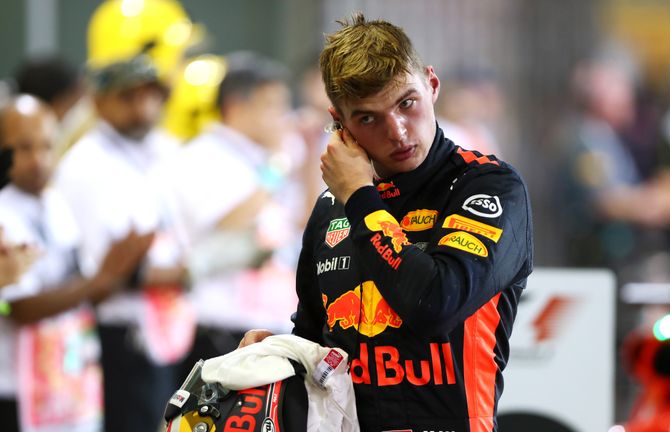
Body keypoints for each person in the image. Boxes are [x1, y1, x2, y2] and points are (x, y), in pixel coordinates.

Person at [241, 13, 533, 432]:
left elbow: (435, 306)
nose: (396, 131)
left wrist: (360, 198)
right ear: (340, 123)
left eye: (406, 103)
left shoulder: (488, 186)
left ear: (432, 86)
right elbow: (316, 339)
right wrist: (279, 353)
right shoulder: (331, 207)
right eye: (368, 118)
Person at [54, 55, 192, 432]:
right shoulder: (85, 165)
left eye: (151, 97)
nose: (142, 108)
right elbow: (109, 273)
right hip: (119, 331)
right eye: (128, 97)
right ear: (99, 102)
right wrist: (194, 272)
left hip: (166, 324)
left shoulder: (160, 150)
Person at [0, 95, 151, 432]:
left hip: (67, 380)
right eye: (23, 148)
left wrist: (118, 273)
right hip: (15, 386)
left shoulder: (55, 202)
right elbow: (19, 307)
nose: (38, 160)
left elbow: (81, 288)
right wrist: (101, 280)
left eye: (46, 146)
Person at [161, 52, 304, 369]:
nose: (284, 117)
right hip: (222, 324)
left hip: (271, 321)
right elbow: (230, 221)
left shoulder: (259, 158)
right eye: (273, 106)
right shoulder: (203, 156)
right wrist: (278, 168)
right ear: (237, 107)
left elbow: (297, 224)